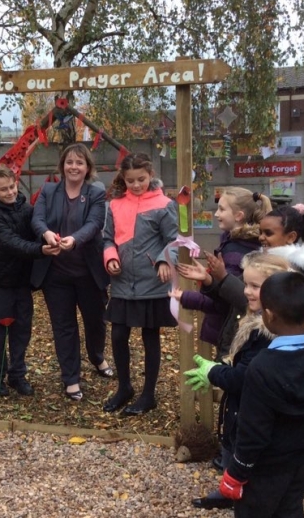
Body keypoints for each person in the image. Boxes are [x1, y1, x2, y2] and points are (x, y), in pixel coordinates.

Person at [179, 254, 296, 509]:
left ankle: (248, 499)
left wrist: (214, 373)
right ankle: (230, 490)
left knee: (251, 465)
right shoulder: (255, 320)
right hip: (241, 413)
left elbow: (246, 378)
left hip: (256, 418)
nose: (247, 292)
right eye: (246, 285)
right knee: (234, 449)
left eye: (255, 286)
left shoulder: (269, 335)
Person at [217, 271, 304, 516]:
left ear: (269, 315)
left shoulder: (262, 367)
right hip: (300, 460)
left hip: (263, 467)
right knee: (290, 509)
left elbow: (254, 430)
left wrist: (237, 472)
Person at [31, 143, 113, 402]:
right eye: (69, 162)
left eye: (79, 162)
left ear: (87, 167)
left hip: (88, 272)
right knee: (64, 327)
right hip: (56, 275)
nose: (74, 167)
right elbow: (37, 219)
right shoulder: (48, 190)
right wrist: (46, 233)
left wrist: (74, 239)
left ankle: (97, 356)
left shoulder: (96, 194)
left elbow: (94, 224)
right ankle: (71, 378)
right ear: (62, 166)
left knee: (95, 322)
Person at [102, 153, 178, 416]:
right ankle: (124, 387)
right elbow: (107, 239)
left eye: (141, 179)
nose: (136, 185)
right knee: (119, 334)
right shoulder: (113, 205)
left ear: (151, 174)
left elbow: (174, 240)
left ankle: (148, 394)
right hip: (123, 282)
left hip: (152, 283)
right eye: (131, 180)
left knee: (149, 336)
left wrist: (164, 260)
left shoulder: (164, 204)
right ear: (123, 178)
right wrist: (110, 257)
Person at [0, 166, 58, 397]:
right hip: (1, 283)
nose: (9, 192)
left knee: (22, 330)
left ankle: (18, 375)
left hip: (22, 283)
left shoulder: (27, 209)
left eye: (12, 187)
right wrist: (41, 250)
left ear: (17, 184)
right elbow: (12, 243)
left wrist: (50, 236)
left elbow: (38, 228)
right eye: (3, 189)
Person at [182, 188, 269, 360]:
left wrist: (185, 297)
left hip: (233, 330)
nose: (216, 214)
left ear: (239, 216)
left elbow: (227, 298)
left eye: (222, 209)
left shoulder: (235, 251)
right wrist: (208, 279)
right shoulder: (235, 243)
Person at [259, 203, 304, 286]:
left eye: (268, 233)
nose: (261, 237)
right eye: (260, 232)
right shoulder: (263, 262)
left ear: (291, 237)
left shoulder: (289, 272)